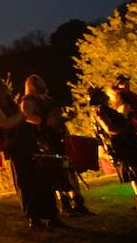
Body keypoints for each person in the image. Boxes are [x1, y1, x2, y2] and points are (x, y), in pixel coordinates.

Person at [0, 79, 58, 231]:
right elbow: (6, 123)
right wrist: (24, 114)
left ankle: (51, 216)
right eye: (3, 88)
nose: (7, 91)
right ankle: (34, 218)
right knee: (26, 182)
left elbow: (23, 120)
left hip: (29, 143)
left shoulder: (11, 105)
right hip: (17, 148)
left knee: (42, 179)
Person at [19, 75, 89, 217]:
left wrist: (67, 117)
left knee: (70, 168)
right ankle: (65, 204)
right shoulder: (28, 100)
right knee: (56, 169)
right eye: (38, 82)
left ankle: (78, 202)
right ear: (31, 85)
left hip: (59, 135)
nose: (42, 84)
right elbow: (26, 116)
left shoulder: (48, 99)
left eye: (42, 81)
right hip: (45, 138)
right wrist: (44, 122)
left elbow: (56, 116)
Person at [89, 87, 137, 210]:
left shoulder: (105, 109)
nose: (106, 96)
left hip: (125, 141)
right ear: (98, 97)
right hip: (120, 143)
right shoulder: (100, 110)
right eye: (103, 94)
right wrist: (126, 130)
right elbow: (109, 129)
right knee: (134, 171)